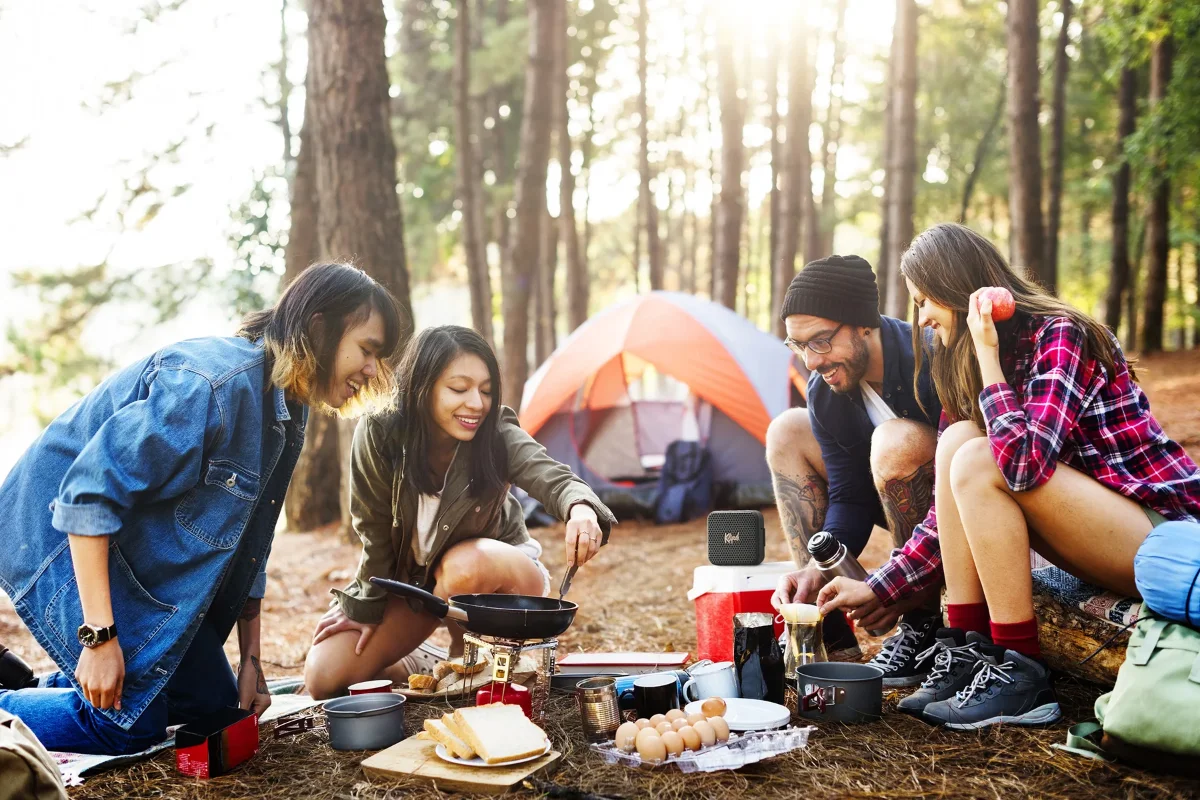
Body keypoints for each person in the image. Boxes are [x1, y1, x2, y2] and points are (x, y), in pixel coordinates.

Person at [0, 262, 405, 754]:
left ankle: (39, 688)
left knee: (214, 708)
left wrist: (251, 662)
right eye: (367, 349)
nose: (373, 369)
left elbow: (252, 543)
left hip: (126, 552)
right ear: (319, 329)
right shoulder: (209, 386)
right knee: (126, 727)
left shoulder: (288, 407)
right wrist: (100, 639)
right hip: (58, 533)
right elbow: (86, 496)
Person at [817, 223, 1200, 729]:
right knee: (957, 442)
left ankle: (1021, 673)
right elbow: (947, 507)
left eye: (926, 300)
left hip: (1162, 536)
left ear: (959, 289)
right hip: (1097, 532)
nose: (922, 317)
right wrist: (882, 586)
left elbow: (1022, 467)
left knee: (979, 457)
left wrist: (988, 358)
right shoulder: (964, 357)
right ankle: (969, 650)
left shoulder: (1061, 334)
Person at [303, 325, 616, 699]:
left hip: (500, 579)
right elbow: (374, 532)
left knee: (465, 567)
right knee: (325, 678)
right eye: (458, 388)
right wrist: (364, 604)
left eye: (486, 390)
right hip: (422, 589)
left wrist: (580, 508)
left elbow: (550, 475)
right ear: (422, 388)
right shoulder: (380, 430)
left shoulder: (496, 432)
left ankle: (465, 657)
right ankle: (422, 661)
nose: (476, 404)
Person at [766, 255, 945, 684]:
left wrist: (898, 586)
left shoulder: (932, 359)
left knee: (895, 440)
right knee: (786, 430)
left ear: (864, 324)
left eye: (820, 341)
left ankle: (923, 624)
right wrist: (818, 568)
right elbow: (849, 496)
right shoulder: (826, 392)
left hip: (959, 513)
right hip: (894, 503)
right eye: (798, 346)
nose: (811, 361)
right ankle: (825, 629)